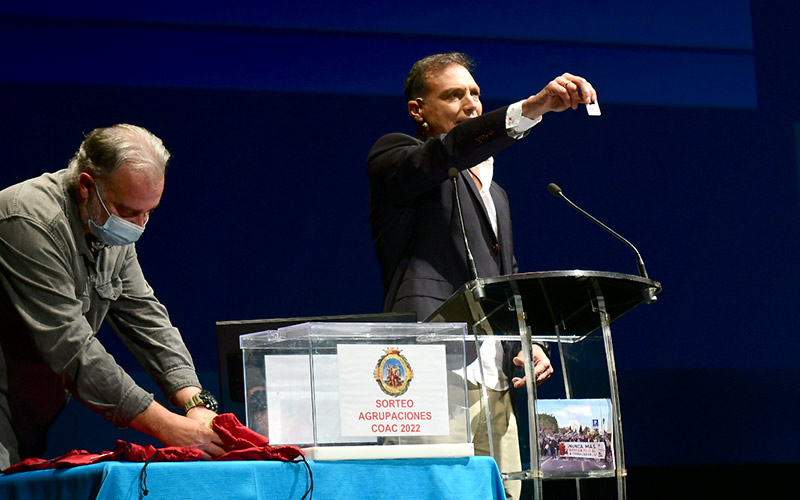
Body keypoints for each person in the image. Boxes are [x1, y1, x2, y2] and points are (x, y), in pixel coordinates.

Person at [367, 52, 597, 499]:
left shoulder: (496, 193)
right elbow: (449, 151)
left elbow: (503, 281)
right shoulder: (395, 158)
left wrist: (526, 342)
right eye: (454, 95)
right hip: (431, 376)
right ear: (419, 110)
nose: (471, 103)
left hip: (496, 382)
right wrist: (531, 108)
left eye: (475, 92)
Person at [0, 124, 224, 469]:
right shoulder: (27, 221)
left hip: (24, 414)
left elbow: (145, 316)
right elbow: (71, 346)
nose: (139, 225)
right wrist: (169, 427)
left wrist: (195, 401)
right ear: (88, 186)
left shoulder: (109, 227)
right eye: (129, 212)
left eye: (149, 212)